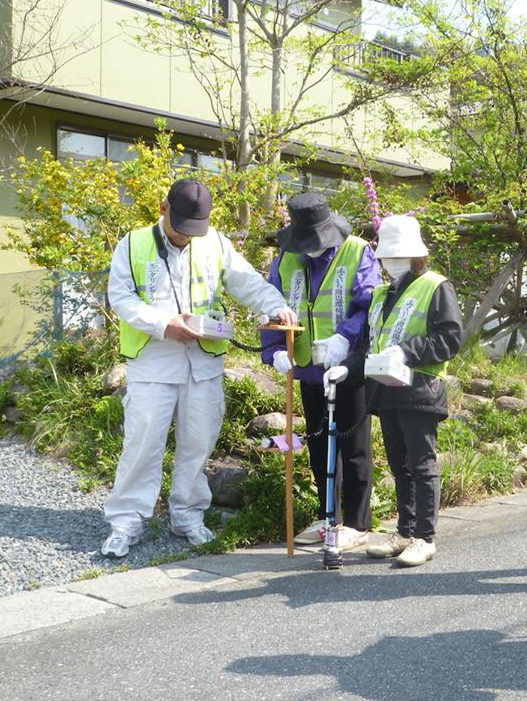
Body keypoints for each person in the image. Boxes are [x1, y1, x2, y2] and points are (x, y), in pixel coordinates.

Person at [103, 179, 299, 558]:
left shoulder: (215, 242)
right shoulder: (133, 243)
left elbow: (246, 282)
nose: (186, 237)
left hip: (203, 360)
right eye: (180, 229)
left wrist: (275, 305)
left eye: (195, 230)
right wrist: (164, 325)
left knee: (198, 442)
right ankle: (125, 521)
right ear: (163, 209)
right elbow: (122, 297)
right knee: (143, 444)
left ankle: (188, 516)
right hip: (154, 360)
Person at [340, 214, 462, 567]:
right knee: (399, 465)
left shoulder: (436, 286)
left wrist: (407, 352)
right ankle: (405, 532)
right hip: (386, 390)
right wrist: (346, 367)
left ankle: (425, 536)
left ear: (415, 254)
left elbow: (450, 338)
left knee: (421, 464)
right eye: (386, 257)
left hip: (420, 389)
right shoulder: (381, 293)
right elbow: (370, 342)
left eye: (398, 255)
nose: (391, 263)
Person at [261, 192, 381, 550]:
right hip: (308, 368)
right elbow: (271, 304)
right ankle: (330, 517)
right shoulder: (286, 259)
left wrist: (345, 340)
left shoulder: (357, 252)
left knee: (353, 444)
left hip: (348, 366)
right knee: (318, 444)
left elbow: (368, 304)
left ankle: (358, 522)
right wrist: (273, 352)